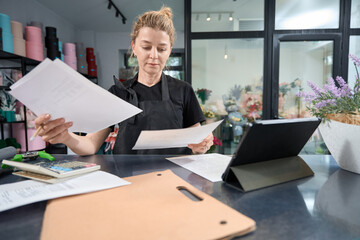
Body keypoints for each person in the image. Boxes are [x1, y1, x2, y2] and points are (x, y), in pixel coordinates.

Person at [34, 7, 213, 155]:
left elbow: (197, 142)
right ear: (134, 47)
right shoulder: (117, 93)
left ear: (169, 50)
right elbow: (90, 144)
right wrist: (65, 137)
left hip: (174, 181)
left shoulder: (183, 90)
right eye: (146, 47)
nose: (153, 55)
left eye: (161, 49)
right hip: (128, 180)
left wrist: (202, 145)